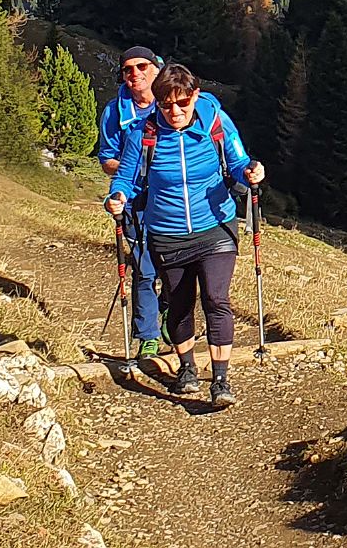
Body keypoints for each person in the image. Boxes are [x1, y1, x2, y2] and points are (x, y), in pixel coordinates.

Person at [105, 63, 265, 408]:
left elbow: (238, 162)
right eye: (166, 104)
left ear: (195, 96)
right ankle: (187, 368)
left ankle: (220, 379)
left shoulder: (215, 122)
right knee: (178, 304)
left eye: (182, 103)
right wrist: (116, 197)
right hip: (166, 232)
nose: (174, 111)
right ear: (158, 102)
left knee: (216, 299)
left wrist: (251, 170)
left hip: (216, 227)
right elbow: (126, 181)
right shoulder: (142, 134)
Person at [92, 47, 177, 380]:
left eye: (142, 66)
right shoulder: (116, 112)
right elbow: (107, 160)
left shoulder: (172, 101)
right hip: (136, 200)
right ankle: (148, 338)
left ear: (156, 69)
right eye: (128, 70)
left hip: (172, 199)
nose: (135, 74)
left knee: (176, 265)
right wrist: (135, 167)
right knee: (143, 268)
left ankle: (173, 319)